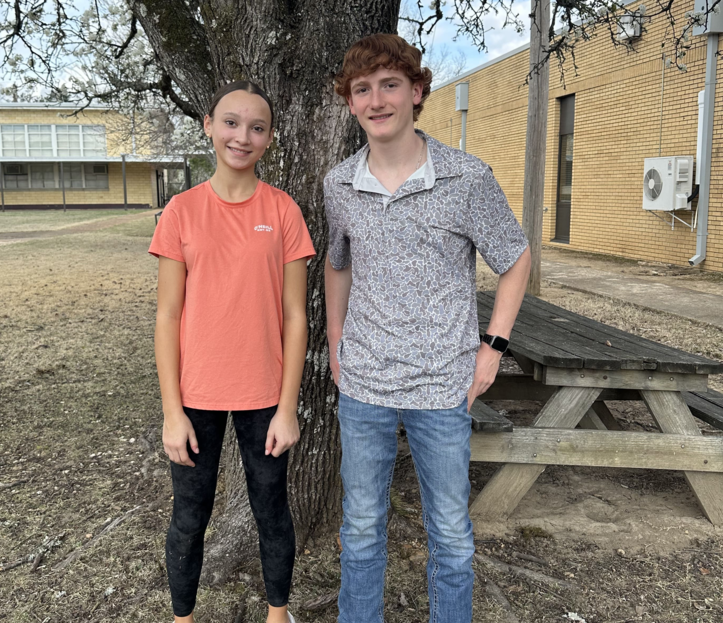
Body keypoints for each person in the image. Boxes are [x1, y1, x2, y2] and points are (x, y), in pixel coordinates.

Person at [324, 34, 532, 623]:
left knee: (451, 535)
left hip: (443, 385)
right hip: (363, 384)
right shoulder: (339, 184)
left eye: (390, 85)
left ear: (416, 92)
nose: (377, 100)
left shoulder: (466, 177)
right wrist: (337, 343)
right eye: (363, 89)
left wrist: (493, 347)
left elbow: (515, 258)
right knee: (361, 529)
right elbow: (337, 264)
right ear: (350, 102)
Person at [150, 80, 315, 623]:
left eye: (256, 127)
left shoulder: (283, 211)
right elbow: (167, 317)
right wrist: (172, 412)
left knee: (272, 510)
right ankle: (183, 618)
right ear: (208, 126)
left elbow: (295, 317)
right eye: (230, 122)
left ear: (269, 138)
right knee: (189, 516)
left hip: (264, 395)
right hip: (195, 394)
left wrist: (288, 408)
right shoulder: (181, 211)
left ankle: (277, 614)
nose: (242, 136)